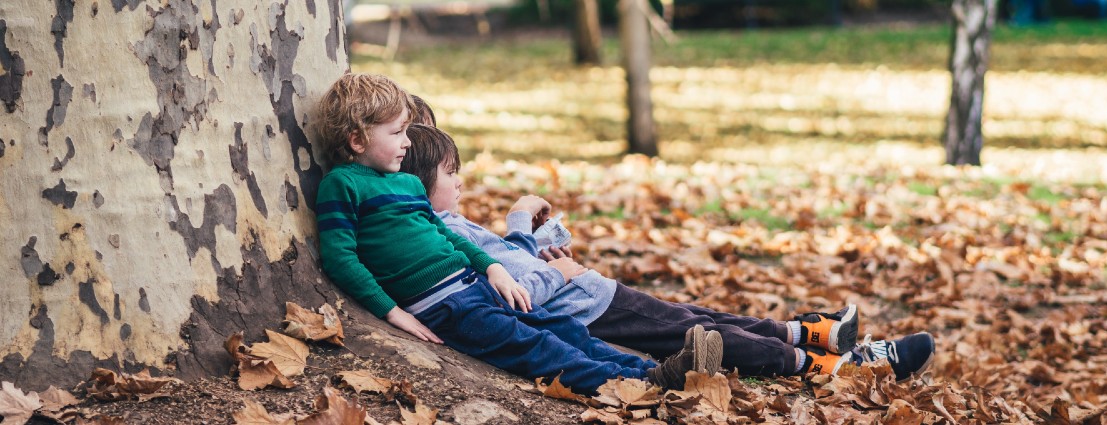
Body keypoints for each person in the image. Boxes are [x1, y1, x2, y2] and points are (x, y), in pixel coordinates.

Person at [399, 118, 937, 383]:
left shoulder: (445, 222)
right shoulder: (442, 232)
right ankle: (835, 366)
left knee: (700, 316)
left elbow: (514, 267)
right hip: (588, 308)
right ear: (420, 181)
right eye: (451, 173)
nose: (461, 182)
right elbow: (519, 290)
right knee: (701, 335)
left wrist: (541, 246)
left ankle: (811, 331)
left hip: (592, 293)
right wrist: (537, 246)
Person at [311, 73, 723, 393]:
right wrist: (391, 312)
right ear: (357, 138)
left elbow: (447, 237)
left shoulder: (406, 183)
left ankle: (658, 371)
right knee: (537, 348)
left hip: (475, 285)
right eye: (397, 132)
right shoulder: (343, 185)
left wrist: (493, 269)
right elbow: (341, 259)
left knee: (562, 330)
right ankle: (637, 386)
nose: (407, 143)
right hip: (446, 307)